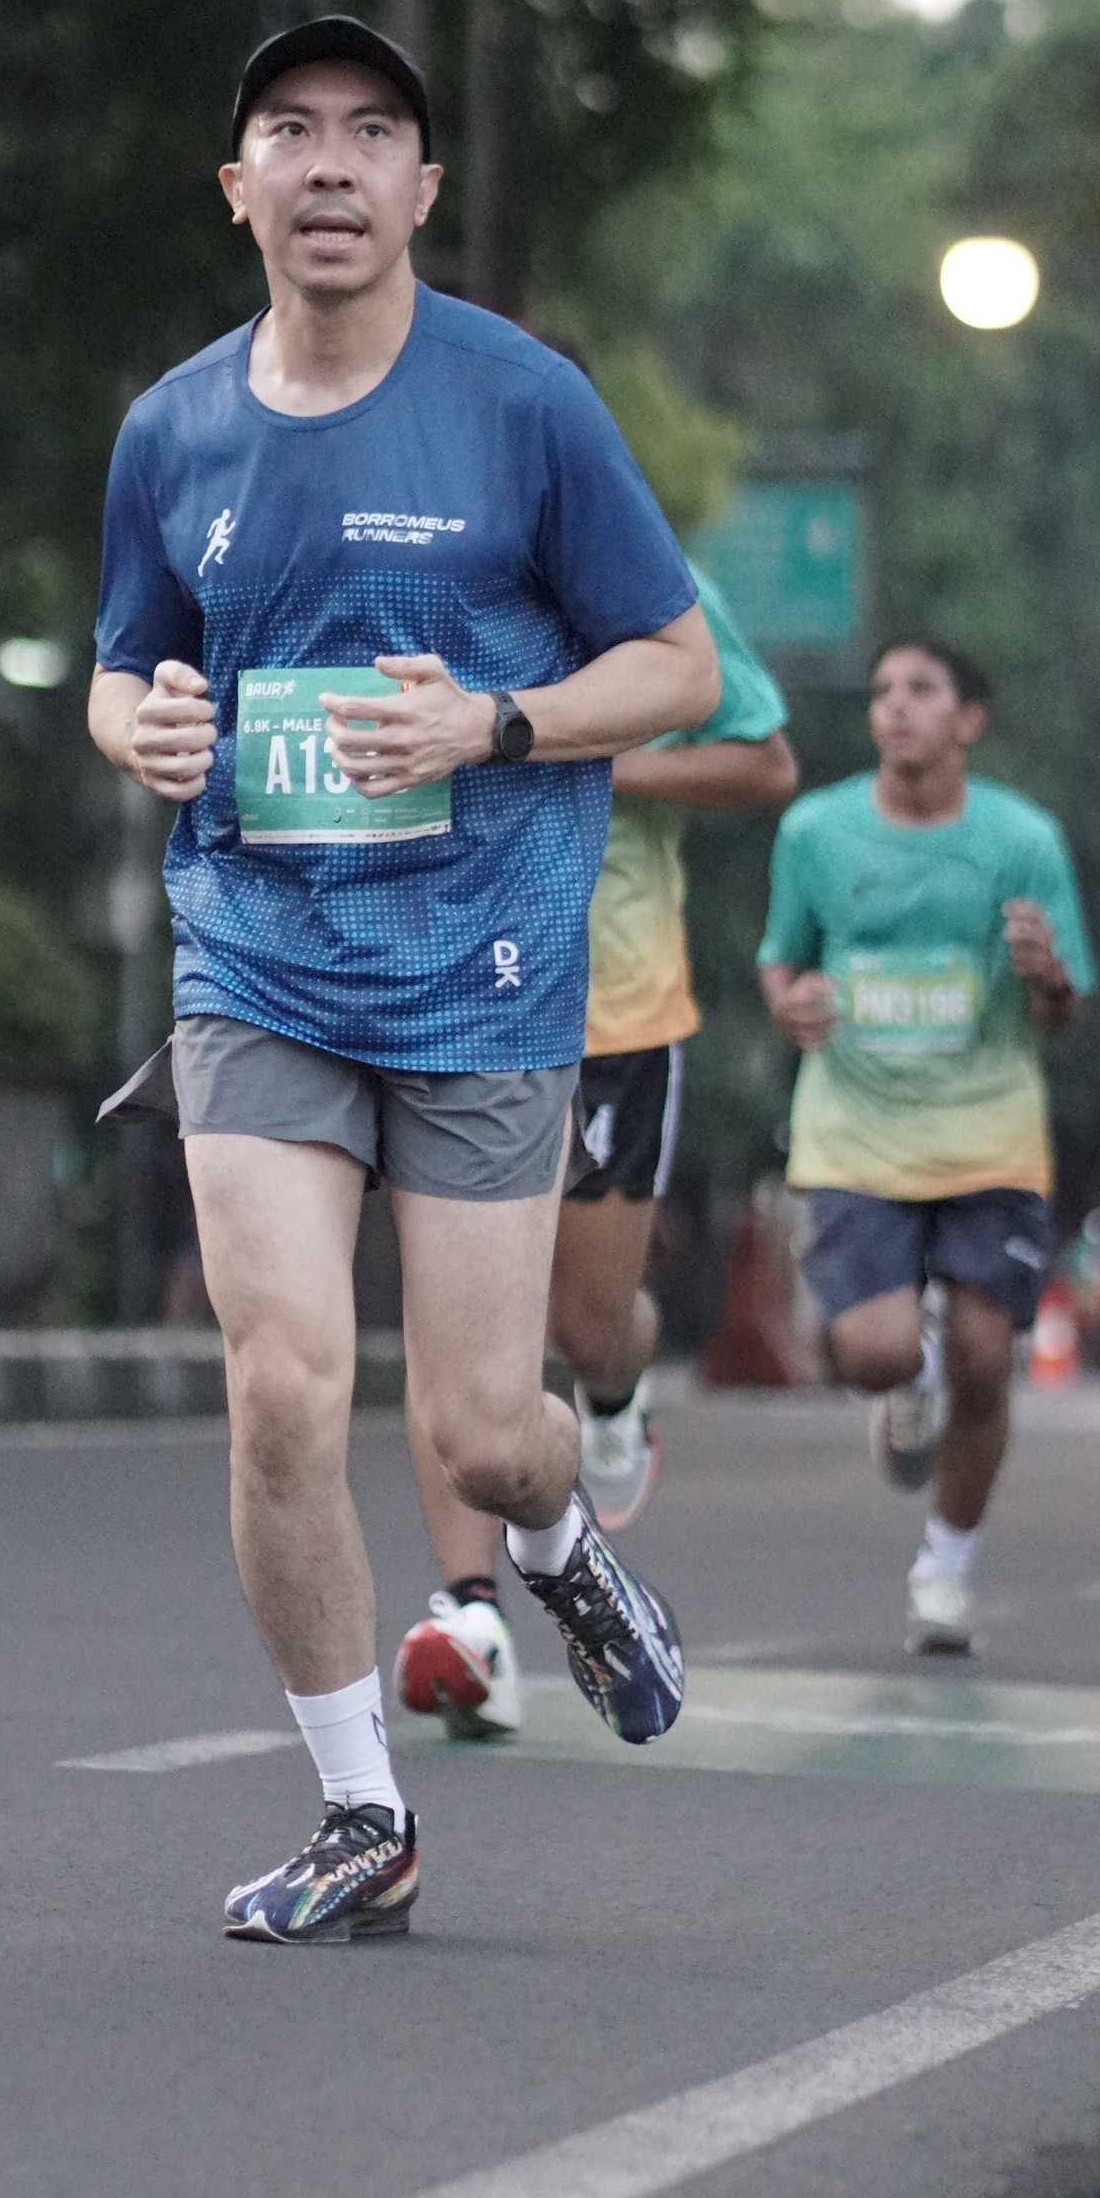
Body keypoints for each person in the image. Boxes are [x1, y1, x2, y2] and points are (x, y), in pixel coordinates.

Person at [89, 14, 717, 1942]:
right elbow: (124, 662)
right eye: (292, 130)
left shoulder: (525, 402)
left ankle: (561, 1534)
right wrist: (143, 729)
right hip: (258, 956)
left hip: (483, 968)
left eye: (374, 132)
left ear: (423, 187)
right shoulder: (173, 426)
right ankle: (363, 1810)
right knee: (280, 1383)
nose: (333, 162)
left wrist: (496, 722)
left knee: (478, 1430)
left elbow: (680, 665)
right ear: (241, 187)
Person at [396, 555, 796, 1738]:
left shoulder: (643, 576)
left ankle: (614, 1384)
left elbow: (764, 761)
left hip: (608, 1004)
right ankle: (471, 1611)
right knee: (453, 1313)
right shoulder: (407, 558)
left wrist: (583, 750)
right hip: (447, 991)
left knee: (582, 1320)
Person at [757, 638, 1095, 1652]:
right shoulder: (815, 831)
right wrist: (792, 1004)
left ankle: (944, 1568)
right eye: (881, 692)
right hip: (856, 1128)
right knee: (873, 1351)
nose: (895, 708)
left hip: (988, 1130)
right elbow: (780, 960)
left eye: (921, 690)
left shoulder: (1023, 839)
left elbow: (1064, 1009)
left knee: (988, 1361)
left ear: (968, 719)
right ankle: (906, 1383)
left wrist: (1045, 976)